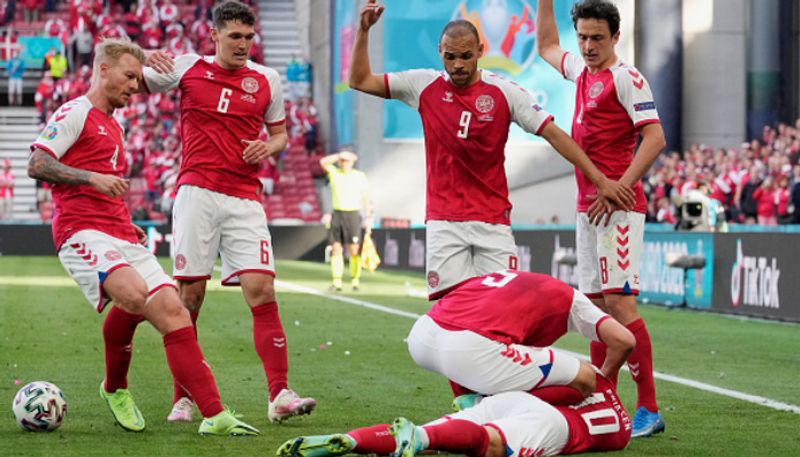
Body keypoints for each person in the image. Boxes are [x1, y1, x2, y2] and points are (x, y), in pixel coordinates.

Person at [27, 37, 258, 436]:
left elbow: (108, 185)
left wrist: (124, 219)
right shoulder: (75, 112)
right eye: (130, 76)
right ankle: (115, 388)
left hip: (119, 231)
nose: (137, 86)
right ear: (103, 70)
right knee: (133, 296)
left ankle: (215, 415)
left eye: (138, 77)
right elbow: (38, 163)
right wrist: (91, 178)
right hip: (81, 230)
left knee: (174, 312)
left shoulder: (113, 124)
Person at [349, 0, 635, 300]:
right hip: (444, 222)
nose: (458, 64)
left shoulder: (505, 92)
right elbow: (359, 80)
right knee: (449, 313)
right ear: (439, 52)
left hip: (493, 222)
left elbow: (554, 135)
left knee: (501, 309)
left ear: (481, 52)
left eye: (466, 56)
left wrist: (600, 180)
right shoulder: (423, 85)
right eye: (450, 57)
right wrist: (363, 30)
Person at [141, 0, 316, 423]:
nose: (242, 45)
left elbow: (279, 136)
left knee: (262, 290)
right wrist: (143, 54)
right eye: (234, 36)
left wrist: (267, 147)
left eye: (248, 37)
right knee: (190, 298)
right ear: (214, 35)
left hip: (244, 198)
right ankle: (182, 397)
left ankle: (279, 394)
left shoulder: (266, 79)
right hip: (196, 193)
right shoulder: (185, 67)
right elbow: (133, 81)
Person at [535, 0, 668, 437]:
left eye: (597, 37)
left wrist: (620, 185)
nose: (589, 46)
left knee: (621, 305)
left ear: (615, 37)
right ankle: (601, 399)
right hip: (585, 208)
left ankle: (648, 409)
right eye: (584, 37)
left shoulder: (626, 77)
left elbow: (655, 136)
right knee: (592, 306)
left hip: (619, 209)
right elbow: (547, 45)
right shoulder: (580, 71)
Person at [277, 369, 631, 457]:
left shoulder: (592, 379)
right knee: (491, 445)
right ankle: (421, 438)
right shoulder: (622, 430)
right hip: (557, 427)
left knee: (434, 430)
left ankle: (353, 441)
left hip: (518, 402)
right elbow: (612, 440)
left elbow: (553, 388)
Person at [407, 269, 634, 406]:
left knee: (485, 352)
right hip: (470, 349)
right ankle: (482, 411)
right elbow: (624, 340)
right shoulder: (574, 300)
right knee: (586, 376)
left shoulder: (505, 277)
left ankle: (469, 408)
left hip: (422, 335)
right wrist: (602, 382)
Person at [320, 149, 372, 291]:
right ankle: (337, 282)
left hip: (353, 214)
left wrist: (368, 217)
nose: (344, 163)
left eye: (347, 160)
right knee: (336, 249)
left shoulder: (359, 176)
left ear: (352, 162)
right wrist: (338, 155)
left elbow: (366, 198)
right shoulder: (335, 173)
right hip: (338, 214)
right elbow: (323, 162)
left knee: (354, 250)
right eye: (342, 160)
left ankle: (355, 280)